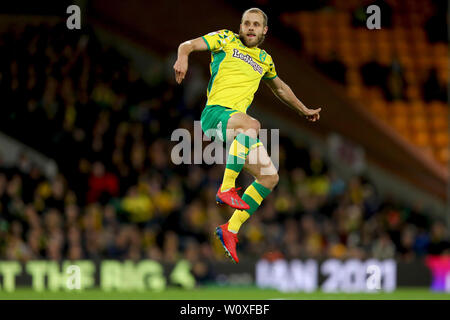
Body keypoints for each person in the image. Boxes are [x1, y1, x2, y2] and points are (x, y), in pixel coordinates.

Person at [173, 8, 321, 263]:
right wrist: (182, 57)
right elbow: (188, 44)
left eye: (256, 25)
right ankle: (227, 186)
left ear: (264, 30)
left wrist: (303, 109)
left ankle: (230, 229)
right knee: (252, 124)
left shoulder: (265, 59)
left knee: (269, 176)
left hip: (235, 124)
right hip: (215, 114)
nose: (250, 28)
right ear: (240, 26)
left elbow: (281, 89)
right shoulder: (225, 39)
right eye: (246, 23)